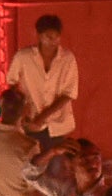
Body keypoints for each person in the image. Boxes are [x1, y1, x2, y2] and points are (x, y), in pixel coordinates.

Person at [5, 14, 78, 148]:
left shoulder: (68, 59)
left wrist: (41, 118)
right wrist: (23, 108)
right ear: (38, 35)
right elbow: (12, 83)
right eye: (48, 37)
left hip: (56, 125)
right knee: (29, 164)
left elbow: (68, 94)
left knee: (54, 165)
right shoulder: (23, 57)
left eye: (56, 36)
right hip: (28, 121)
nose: (53, 41)